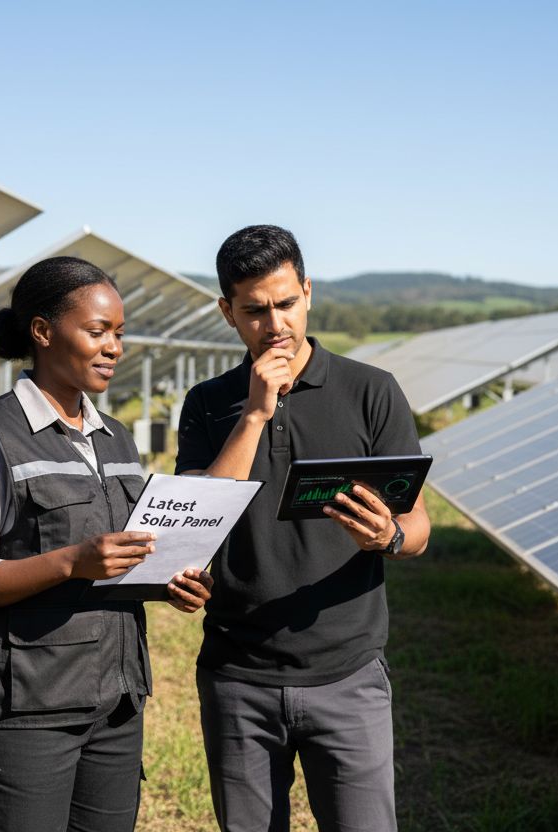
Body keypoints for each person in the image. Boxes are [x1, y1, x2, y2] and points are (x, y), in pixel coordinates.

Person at [0, 255, 214, 832]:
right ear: (42, 331)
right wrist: (72, 562)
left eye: (119, 333)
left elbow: (119, 559)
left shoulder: (118, 440)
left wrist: (167, 581)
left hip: (116, 700)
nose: (113, 347)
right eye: (97, 331)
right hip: (25, 708)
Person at [176, 225, 430, 831]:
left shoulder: (371, 390)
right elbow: (197, 520)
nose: (275, 325)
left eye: (286, 303)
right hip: (238, 677)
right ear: (227, 313)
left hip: (348, 675)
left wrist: (387, 537)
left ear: (308, 293)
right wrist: (257, 412)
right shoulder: (209, 404)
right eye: (255, 311)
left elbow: (418, 524)